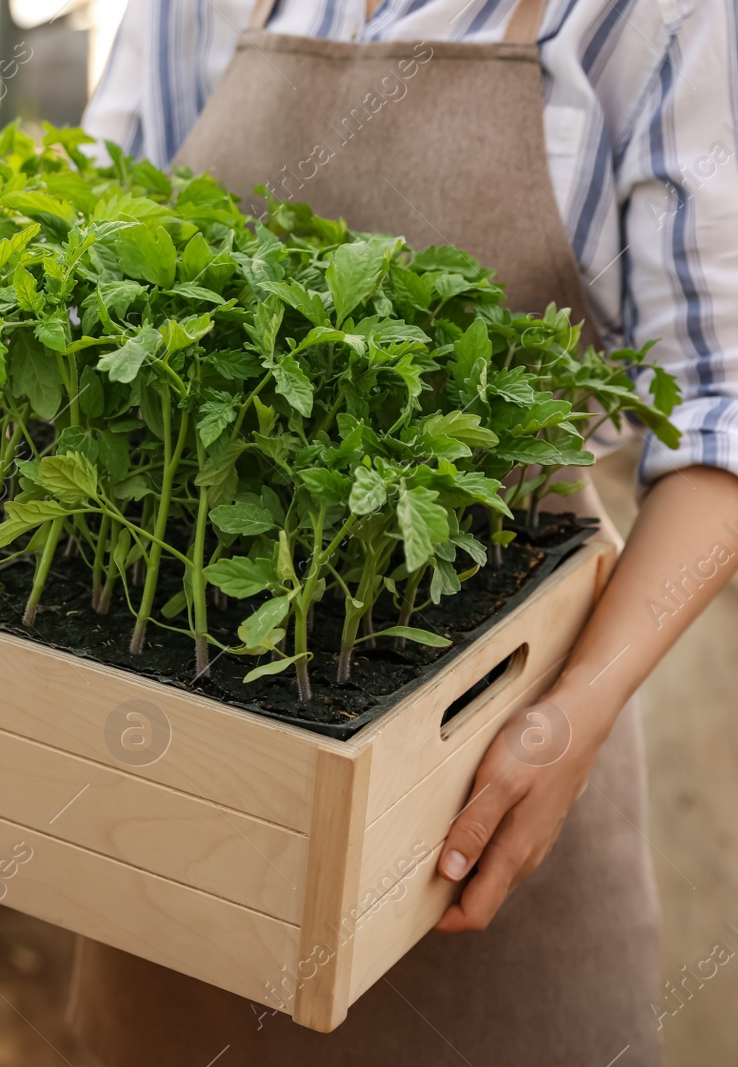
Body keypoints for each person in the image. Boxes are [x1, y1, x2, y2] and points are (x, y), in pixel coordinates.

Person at [67, 0, 738, 1063]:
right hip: (188, 734)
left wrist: (579, 709)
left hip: (489, 758)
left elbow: (719, 419)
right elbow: (95, 264)